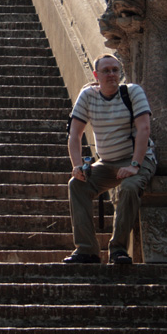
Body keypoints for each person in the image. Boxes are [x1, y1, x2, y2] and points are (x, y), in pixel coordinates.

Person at [63, 53, 156, 265]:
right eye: (106, 71)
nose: (111, 74)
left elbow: (144, 129)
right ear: (96, 75)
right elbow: (74, 135)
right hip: (106, 162)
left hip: (137, 159)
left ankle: (119, 249)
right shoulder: (88, 96)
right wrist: (77, 166)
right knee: (76, 185)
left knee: (130, 186)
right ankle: (87, 250)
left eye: (115, 70)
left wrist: (134, 165)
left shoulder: (133, 92)